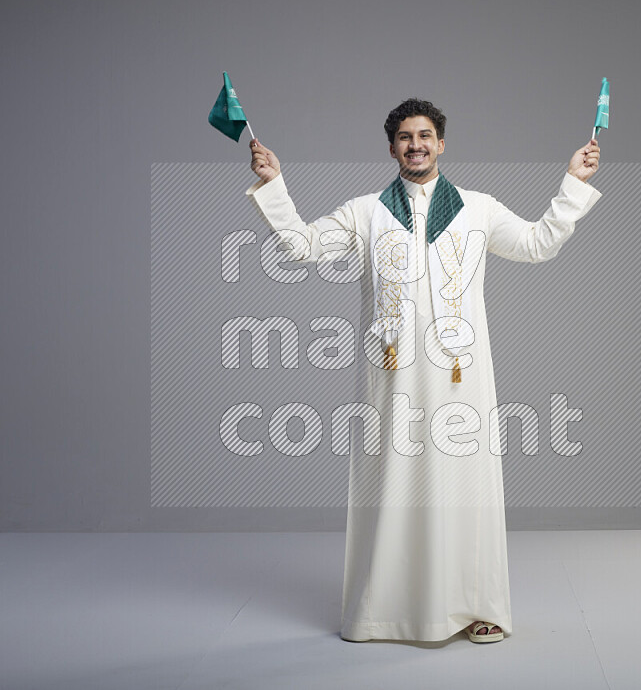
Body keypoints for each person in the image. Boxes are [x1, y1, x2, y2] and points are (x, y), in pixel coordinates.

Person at [246, 98, 601, 643]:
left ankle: (479, 607)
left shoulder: (477, 209)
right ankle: (381, 610)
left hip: (463, 377)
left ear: (442, 144)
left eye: (426, 135)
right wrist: (274, 183)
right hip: (391, 377)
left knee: (467, 486)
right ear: (392, 148)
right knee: (392, 485)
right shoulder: (367, 211)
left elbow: (537, 243)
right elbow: (302, 247)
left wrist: (573, 183)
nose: (416, 144)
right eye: (406, 137)